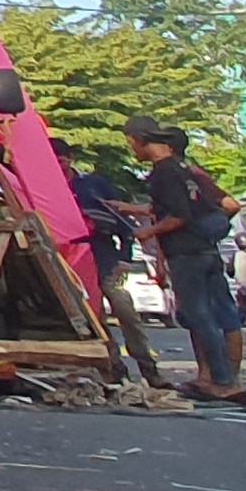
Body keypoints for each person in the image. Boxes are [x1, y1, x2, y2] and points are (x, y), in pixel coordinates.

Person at [126, 120, 246, 406]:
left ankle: (221, 383)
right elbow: (204, 208)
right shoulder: (186, 171)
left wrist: (147, 231)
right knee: (220, 315)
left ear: (140, 139)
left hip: (186, 255)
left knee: (200, 317)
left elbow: (180, 215)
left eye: (130, 142)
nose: (131, 149)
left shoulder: (163, 173)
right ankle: (219, 380)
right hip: (207, 251)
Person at [67, 167, 170, 389]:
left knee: (127, 313)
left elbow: (123, 223)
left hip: (106, 260)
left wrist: (124, 257)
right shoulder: (52, 188)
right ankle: (113, 368)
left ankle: (148, 369)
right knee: (94, 320)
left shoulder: (94, 186)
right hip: (74, 264)